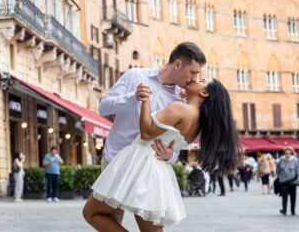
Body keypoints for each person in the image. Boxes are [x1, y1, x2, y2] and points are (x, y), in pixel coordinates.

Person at [82, 78, 241, 232]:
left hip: (139, 163)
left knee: (92, 212)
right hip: (157, 171)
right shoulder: (198, 122)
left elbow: (145, 132)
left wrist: (145, 100)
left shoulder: (180, 108)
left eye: (202, 80)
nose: (195, 79)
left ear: (205, 93)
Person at [86, 42, 206, 224]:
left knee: (148, 226)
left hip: (146, 170)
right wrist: (132, 96)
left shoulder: (179, 101)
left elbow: (173, 147)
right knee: (110, 221)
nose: (194, 78)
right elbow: (103, 107)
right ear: (178, 64)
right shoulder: (135, 75)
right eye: (193, 72)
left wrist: (168, 157)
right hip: (114, 160)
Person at [276, 147, 299, 216]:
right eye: (286, 153)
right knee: (284, 195)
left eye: (289, 153)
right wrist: (278, 177)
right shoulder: (281, 160)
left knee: (293, 196)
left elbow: (298, 170)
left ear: (291, 153)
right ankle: (284, 210)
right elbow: (278, 169)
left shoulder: (295, 160)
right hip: (283, 181)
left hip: (293, 181)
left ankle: (293, 210)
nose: (287, 155)